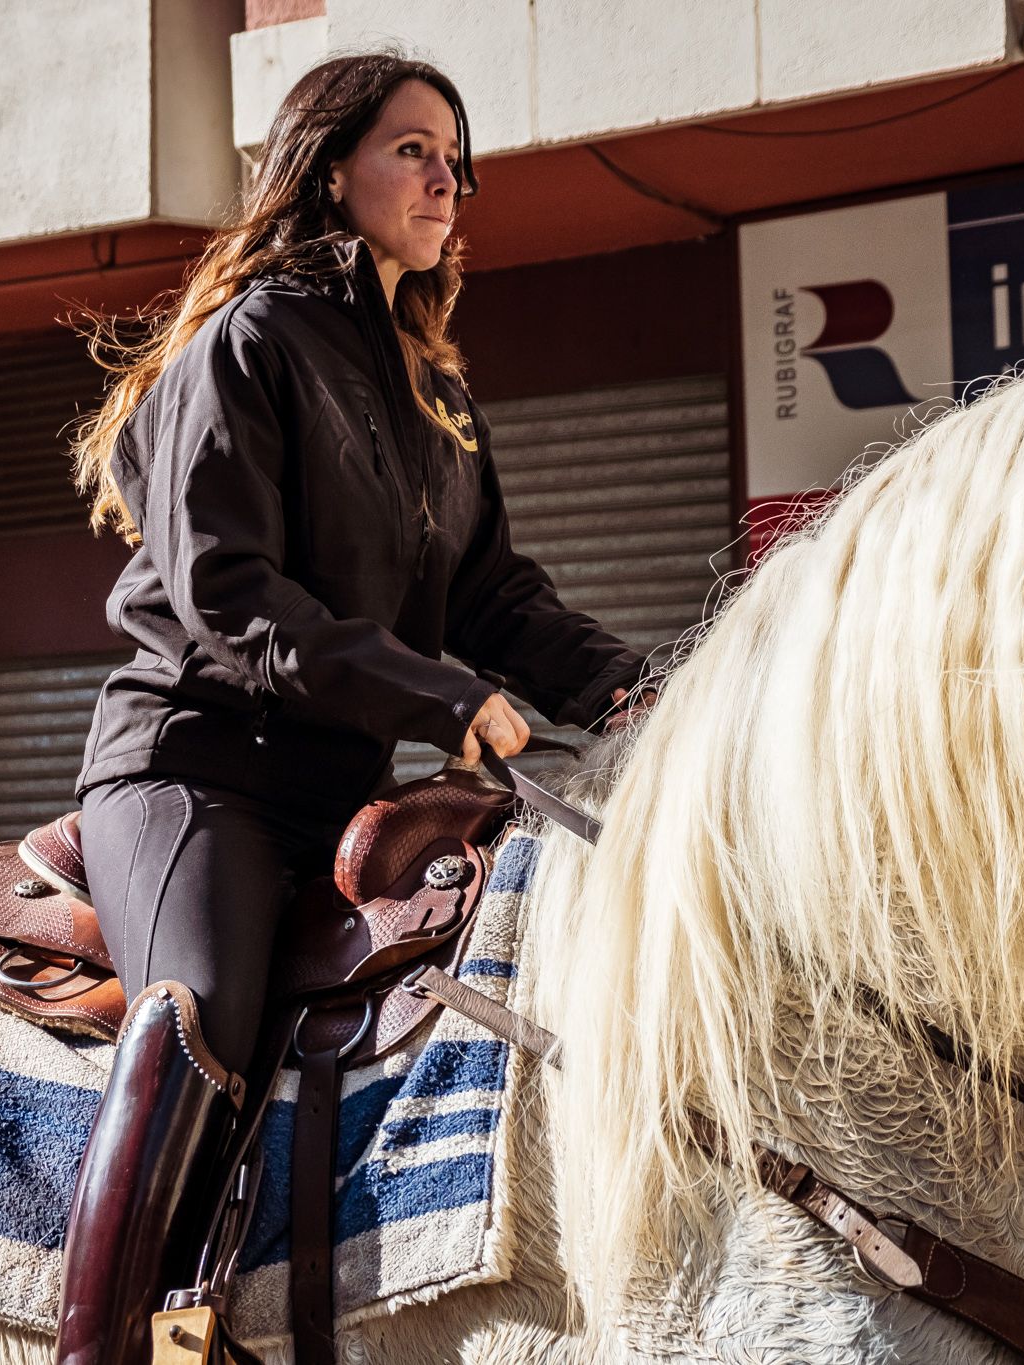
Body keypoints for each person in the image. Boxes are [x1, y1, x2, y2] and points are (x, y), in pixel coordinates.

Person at [53, 52, 653, 1364]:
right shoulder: (249, 342)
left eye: (457, 156)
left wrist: (645, 688)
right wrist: (442, 693)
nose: (448, 177)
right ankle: (111, 1343)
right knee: (195, 1014)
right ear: (332, 167)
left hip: (337, 793)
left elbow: (496, 600)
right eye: (413, 150)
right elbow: (229, 594)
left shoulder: (439, 394)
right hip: (192, 772)